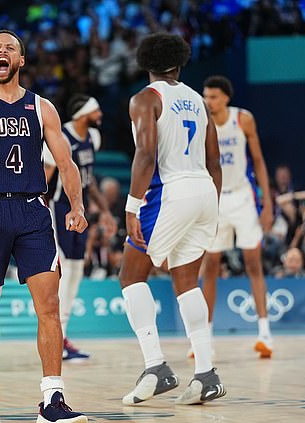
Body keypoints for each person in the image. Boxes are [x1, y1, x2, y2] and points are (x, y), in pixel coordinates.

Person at [0, 30, 88, 423]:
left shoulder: (43, 108)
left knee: (50, 306)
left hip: (32, 212)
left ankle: (53, 400)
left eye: (10, 48)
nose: (2, 52)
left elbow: (67, 162)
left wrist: (76, 205)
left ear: (20, 61)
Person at [119, 33, 225, 406]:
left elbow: (146, 155)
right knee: (185, 281)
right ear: (179, 63)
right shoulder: (198, 100)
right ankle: (207, 374)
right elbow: (215, 162)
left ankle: (156, 367)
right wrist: (211, 205)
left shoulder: (146, 98)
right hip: (205, 191)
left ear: (145, 63)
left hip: (171, 191)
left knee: (130, 276)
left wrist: (132, 205)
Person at [200, 75, 274, 359]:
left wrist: (267, 203)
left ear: (226, 98)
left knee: (253, 263)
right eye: (206, 96)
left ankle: (265, 334)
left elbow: (258, 161)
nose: (208, 101)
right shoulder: (202, 122)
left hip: (242, 196)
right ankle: (205, 336)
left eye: (214, 96)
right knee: (211, 266)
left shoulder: (243, 119)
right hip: (215, 198)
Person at [42, 94, 115, 361]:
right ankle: (54, 337)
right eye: (96, 109)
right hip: (59, 207)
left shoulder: (93, 138)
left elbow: (88, 179)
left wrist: (104, 210)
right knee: (64, 270)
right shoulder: (60, 138)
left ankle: (62, 336)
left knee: (75, 270)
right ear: (84, 113)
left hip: (78, 207)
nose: (100, 113)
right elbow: (45, 177)